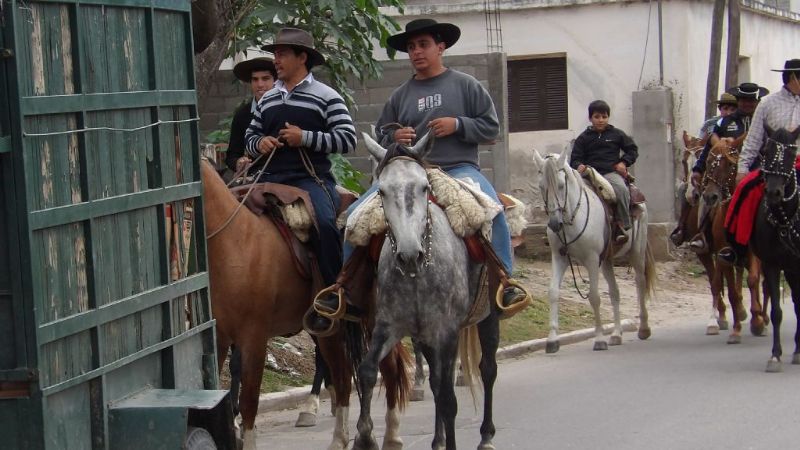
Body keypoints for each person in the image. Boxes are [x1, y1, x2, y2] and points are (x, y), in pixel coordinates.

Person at [309, 18, 527, 332]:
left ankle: (505, 283)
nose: (416, 52)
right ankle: (345, 290)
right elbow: (382, 137)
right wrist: (395, 139)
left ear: (441, 47)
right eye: (411, 47)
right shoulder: (400, 95)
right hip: (409, 174)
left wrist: (458, 125)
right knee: (355, 217)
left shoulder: (466, 85)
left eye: (423, 45)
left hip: (459, 171)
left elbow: (492, 127)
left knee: (493, 212)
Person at [244, 27, 356, 296]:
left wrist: (304, 137)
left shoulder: (327, 96)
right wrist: (260, 143)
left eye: (282, 54)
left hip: (310, 180)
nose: (276, 60)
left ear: (302, 57)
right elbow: (250, 136)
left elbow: (347, 140)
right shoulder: (267, 98)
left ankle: (335, 294)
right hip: (267, 178)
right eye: (276, 54)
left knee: (326, 225)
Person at [720, 59, 800, 264]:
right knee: (744, 192)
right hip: (774, 166)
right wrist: (742, 170)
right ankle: (736, 247)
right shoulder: (768, 104)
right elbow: (754, 139)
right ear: (793, 77)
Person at [681, 82, 769, 251]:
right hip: (725, 172)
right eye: (743, 100)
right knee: (708, 195)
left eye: (751, 100)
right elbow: (709, 148)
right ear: (738, 101)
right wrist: (698, 169)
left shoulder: (764, 121)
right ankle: (703, 234)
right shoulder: (724, 123)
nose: (747, 103)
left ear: (757, 101)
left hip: (758, 170)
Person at [670, 92, 739, 246]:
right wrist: (698, 169)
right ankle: (688, 229)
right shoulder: (711, 124)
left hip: (733, 167)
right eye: (725, 108)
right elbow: (702, 146)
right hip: (711, 166)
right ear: (720, 108)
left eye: (732, 109)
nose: (728, 112)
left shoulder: (739, 124)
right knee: (687, 191)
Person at [570, 100, 639, 245]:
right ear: (590, 118)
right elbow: (574, 159)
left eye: (604, 117)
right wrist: (579, 166)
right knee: (569, 192)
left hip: (609, 174)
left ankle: (622, 225)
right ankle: (566, 228)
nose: (601, 120)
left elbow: (632, 150)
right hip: (588, 175)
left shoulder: (617, 134)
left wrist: (623, 162)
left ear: (608, 117)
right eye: (597, 117)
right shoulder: (583, 138)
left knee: (621, 189)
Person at [225, 56, 277, 174]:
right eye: (255, 79)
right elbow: (232, 155)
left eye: (265, 78)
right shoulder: (242, 114)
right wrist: (239, 162)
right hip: (255, 177)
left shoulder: (287, 108)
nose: (260, 84)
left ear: (276, 81)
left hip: (288, 176)